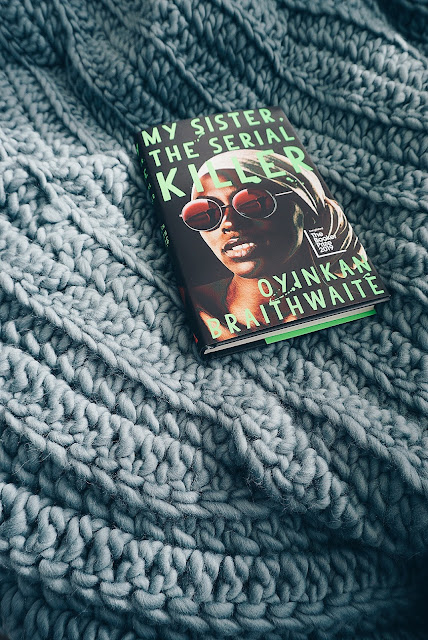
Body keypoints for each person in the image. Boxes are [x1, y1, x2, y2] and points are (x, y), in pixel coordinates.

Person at [180, 149, 365, 342]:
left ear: (306, 213)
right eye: (205, 212)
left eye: (252, 203)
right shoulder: (195, 308)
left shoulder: (350, 297)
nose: (229, 223)